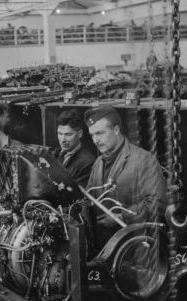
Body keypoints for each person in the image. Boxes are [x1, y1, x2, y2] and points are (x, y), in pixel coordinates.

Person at [84, 105, 167, 247]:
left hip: (135, 246)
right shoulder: (98, 163)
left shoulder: (143, 160)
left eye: (100, 133)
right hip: (105, 246)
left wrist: (123, 217)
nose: (95, 140)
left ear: (116, 130)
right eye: (92, 135)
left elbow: (157, 203)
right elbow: (89, 197)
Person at [53, 109, 95, 187]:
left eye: (68, 134)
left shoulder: (88, 162)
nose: (63, 140)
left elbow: (75, 194)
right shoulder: (55, 154)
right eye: (60, 134)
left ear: (79, 134)